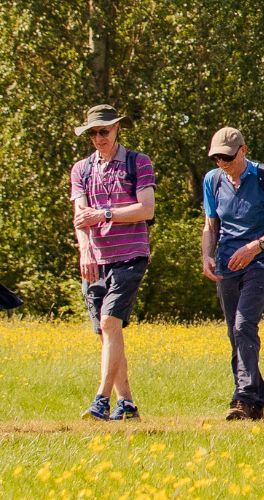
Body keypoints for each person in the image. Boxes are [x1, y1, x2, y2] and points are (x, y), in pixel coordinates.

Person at [200, 127, 264, 421]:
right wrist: (206, 255)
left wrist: (256, 247)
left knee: (243, 326)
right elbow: (210, 224)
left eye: (227, 157)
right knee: (235, 333)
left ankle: (243, 398)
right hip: (227, 264)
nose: (222, 163)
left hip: (260, 263)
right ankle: (255, 396)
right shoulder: (213, 180)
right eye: (217, 158)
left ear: (243, 150)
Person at [69, 105, 156, 421]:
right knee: (108, 334)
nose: (98, 138)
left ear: (118, 129)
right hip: (95, 259)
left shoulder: (138, 163)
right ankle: (128, 403)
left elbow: (146, 209)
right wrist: (85, 251)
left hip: (130, 256)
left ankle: (101, 401)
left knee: (110, 323)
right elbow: (81, 217)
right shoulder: (81, 169)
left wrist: (105, 214)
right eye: (93, 132)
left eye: (103, 131)